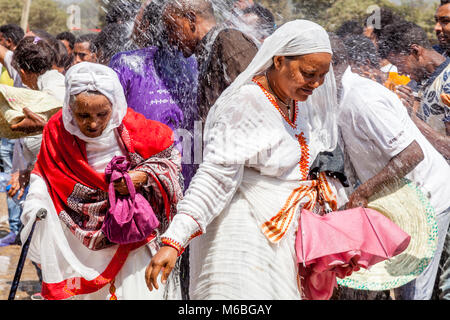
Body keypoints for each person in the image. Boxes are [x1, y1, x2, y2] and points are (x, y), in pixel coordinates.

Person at [145, 20, 348, 300]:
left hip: (278, 239)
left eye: (323, 76)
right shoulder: (247, 103)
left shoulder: (297, 102)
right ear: (278, 61)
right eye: (309, 73)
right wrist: (174, 240)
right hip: (241, 241)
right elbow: (214, 176)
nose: (316, 83)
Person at [19, 62, 184, 300]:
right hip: (78, 245)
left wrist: (141, 177)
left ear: (115, 106)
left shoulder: (133, 128)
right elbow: (43, 176)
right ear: (69, 108)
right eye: (83, 115)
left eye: (102, 114)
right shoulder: (57, 133)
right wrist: (35, 205)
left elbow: (169, 159)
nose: (93, 124)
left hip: (131, 238)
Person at [333, 34, 450, 300]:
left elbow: (412, 153)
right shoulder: (340, 93)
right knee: (396, 281)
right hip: (397, 197)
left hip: (427, 196)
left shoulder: (361, 99)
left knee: (413, 289)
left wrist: (364, 191)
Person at [162, 0, 258, 122]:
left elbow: (255, 110)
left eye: (172, 28)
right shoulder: (208, 52)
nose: (171, 40)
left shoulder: (229, 41)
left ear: (191, 20)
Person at [379, 21, 450, 161]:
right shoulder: (425, 82)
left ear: (415, 51)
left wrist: (410, 116)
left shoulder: (448, 81)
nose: (399, 72)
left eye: (399, 64)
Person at [0, 24, 24, 247]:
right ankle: (18, 229)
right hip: (13, 134)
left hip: (18, 135)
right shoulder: (22, 64)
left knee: (14, 179)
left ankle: (18, 230)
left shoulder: (19, 63)